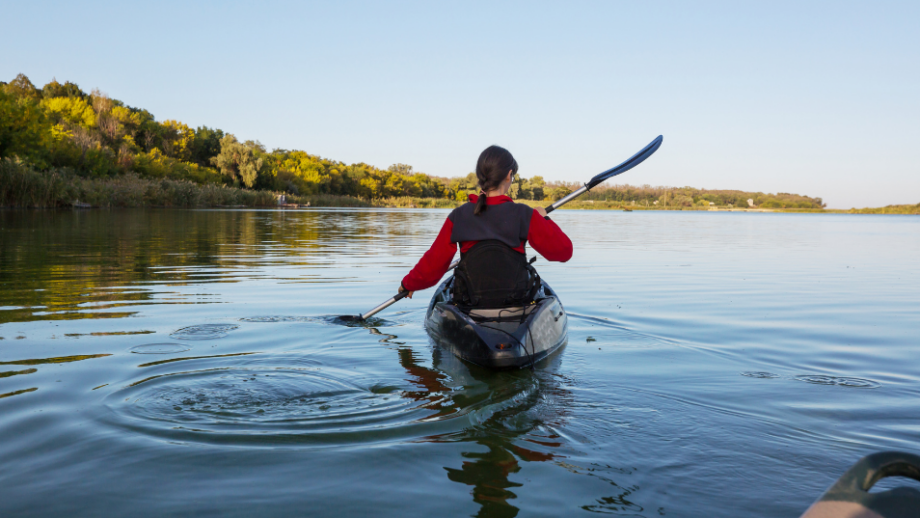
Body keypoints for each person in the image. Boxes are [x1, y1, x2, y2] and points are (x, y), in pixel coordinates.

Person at [399, 145, 573, 308]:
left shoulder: (458, 216)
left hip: (471, 303)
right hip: (515, 302)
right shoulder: (525, 214)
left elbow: (434, 263)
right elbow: (563, 251)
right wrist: (545, 219)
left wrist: (408, 284)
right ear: (509, 175)